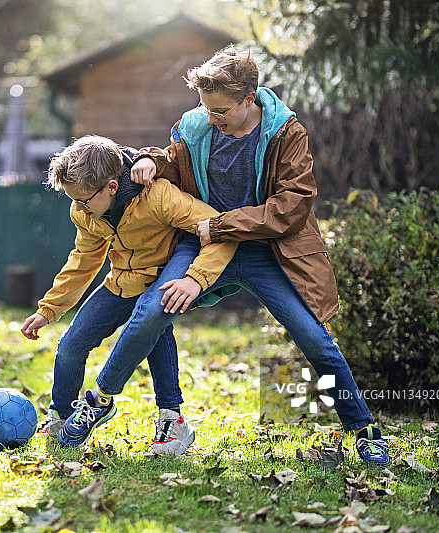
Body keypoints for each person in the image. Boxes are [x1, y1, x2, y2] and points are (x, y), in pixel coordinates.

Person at [123, 46, 389, 466]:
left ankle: (364, 429)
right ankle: (162, 417)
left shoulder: (286, 133)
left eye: (221, 110)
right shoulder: (194, 127)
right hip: (205, 245)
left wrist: (225, 226)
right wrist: (146, 159)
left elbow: (291, 206)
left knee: (315, 340)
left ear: (249, 98)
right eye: (206, 107)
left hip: (269, 253)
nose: (212, 117)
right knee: (155, 310)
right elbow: (172, 163)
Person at [21, 135, 236, 453]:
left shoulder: (158, 197)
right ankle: (62, 415)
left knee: (154, 325)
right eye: (73, 200)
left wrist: (193, 277)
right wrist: (48, 309)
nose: (78, 208)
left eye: (83, 200)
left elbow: (215, 226)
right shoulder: (85, 212)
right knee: (69, 347)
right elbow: (84, 260)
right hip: (120, 283)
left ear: (110, 187)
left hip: (160, 284)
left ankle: (172, 420)